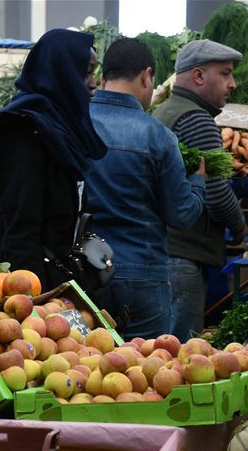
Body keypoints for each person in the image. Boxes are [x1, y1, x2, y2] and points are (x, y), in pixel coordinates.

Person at [83, 38, 206, 339]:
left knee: (86, 361)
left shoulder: (75, 125)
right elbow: (182, 215)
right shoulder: (157, 137)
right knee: (145, 365)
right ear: (146, 75)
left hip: (84, 270)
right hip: (141, 276)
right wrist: (198, 182)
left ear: (102, 77)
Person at [0, 28, 107, 292]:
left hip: (54, 274)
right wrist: (33, 295)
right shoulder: (23, 131)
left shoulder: (59, 128)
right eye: (86, 72)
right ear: (61, 72)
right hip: (29, 279)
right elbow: (21, 224)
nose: (93, 83)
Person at [153, 40, 248, 341]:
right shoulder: (196, 119)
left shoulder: (164, 111)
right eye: (225, 73)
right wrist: (240, 226)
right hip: (183, 255)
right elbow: (216, 193)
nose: (232, 84)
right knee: (179, 349)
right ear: (198, 76)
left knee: (160, 348)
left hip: (163, 250)